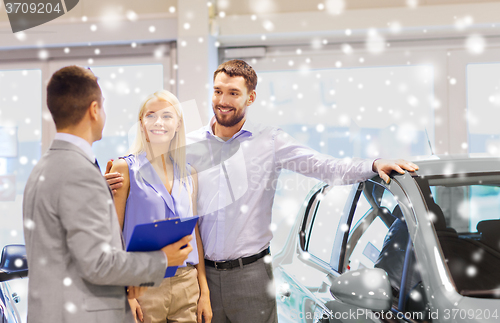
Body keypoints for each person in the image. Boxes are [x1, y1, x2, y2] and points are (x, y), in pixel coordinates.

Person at [106, 60, 419, 323]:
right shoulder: (191, 145)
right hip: (200, 280)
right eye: (217, 91)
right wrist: (106, 184)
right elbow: (152, 179)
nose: (222, 100)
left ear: (250, 98)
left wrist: (374, 163)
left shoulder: (270, 141)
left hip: (251, 277)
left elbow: (325, 166)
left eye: (233, 93)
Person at [22, 66, 193, 323]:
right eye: (103, 106)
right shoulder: (79, 173)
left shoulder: (46, 167)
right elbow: (98, 263)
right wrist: (162, 260)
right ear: (94, 110)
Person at [108, 90, 212, 323]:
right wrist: (126, 293)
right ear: (141, 124)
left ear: (178, 124)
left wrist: (204, 291)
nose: (158, 122)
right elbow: (113, 235)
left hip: (187, 284)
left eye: (167, 116)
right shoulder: (124, 169)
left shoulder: (189, 173)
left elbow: (194, 234)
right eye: (150, 116)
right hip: (143, 286)